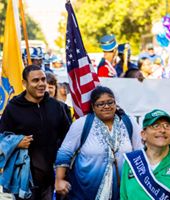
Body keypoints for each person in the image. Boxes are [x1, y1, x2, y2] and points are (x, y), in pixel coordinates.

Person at [55, 86, 142, 200]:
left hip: (122, 191)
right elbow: (65, 152)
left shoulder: (129, 123)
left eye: (110, 102)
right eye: (100, 104)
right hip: (84, 190)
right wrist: (59, 179)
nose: (106, 106)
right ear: (93, 107)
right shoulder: (82, 124)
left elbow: (139, 153)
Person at [0, 65, 71, 200]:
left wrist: (62, 171)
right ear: (24, 83)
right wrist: (16, 143)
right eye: (35, 80)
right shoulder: (13, 108)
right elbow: (1, 139)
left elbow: (67, 139)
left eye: (43, 79)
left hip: (53, 178)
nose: (41, 84)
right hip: (25, 180)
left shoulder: (56, 106)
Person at [120, 109, 170, 200]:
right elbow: (124, 196)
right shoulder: (132, 161)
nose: (162, 130)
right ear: (143, 134)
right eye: (156, 126)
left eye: (167, 126)